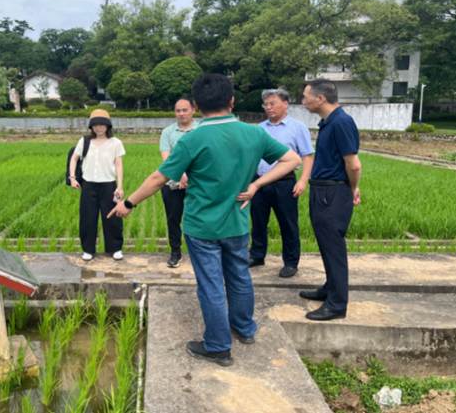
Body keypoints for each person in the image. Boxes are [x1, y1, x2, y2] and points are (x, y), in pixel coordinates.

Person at [109, 74, 301, 366]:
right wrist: (256, 185)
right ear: (232, 101)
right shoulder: (254, 134)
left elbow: (159, 178)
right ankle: (244, 328)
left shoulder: (193, 139)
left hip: (202, 227)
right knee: (239, 276)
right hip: (237, 223)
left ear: (197, 106)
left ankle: (218, 346)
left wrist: (128, 203)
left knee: (211, 284)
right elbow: (292, 160)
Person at [299, 79, 362, 321]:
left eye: (306, 97)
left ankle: (337, 304)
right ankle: (330, 288)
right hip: (324, 190)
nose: (303, 101)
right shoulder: (329, 122)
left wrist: (353, 188)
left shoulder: (341, 122)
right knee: (326, 244)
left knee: (333, 248)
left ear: (320, 98)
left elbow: (353, 164)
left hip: (333, 192)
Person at [248, 89, 314, 278]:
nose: (269, 108)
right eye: (266, 104)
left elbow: (307, 156)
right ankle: (257, 255)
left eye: (273, 103)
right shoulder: (259, 129)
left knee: (288, 223)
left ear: (285, 104)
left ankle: (291, 262)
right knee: (258, 221)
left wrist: (303, 180)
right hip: (259, 181)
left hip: (284, 183)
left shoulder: (297, 127)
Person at [68, 109, 126, 261]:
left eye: (102, 125)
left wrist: (120, 186)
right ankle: (88, 249)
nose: (99, 128)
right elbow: (74, 158)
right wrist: (72, 177)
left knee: (112, 218)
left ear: (108, 126)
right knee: (88, 218)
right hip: (89, 186)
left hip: (109, 185)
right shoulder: (84, 141)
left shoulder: (115, 142)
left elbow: (118, 164)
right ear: (91, 127)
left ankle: (115, 248)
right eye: (95, 125)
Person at [159, 98, 197, 268]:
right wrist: (181, 174)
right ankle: (175, 252)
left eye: (185, 110)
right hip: (172, 184)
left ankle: (199, 252)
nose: (181, 114)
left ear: (193, 110)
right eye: (178, 110)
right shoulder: (168, 132)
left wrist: (188, 175)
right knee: (173, 219)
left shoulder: (201, 129)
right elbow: (167, 158)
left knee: (197, 218)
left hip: (197, 184)